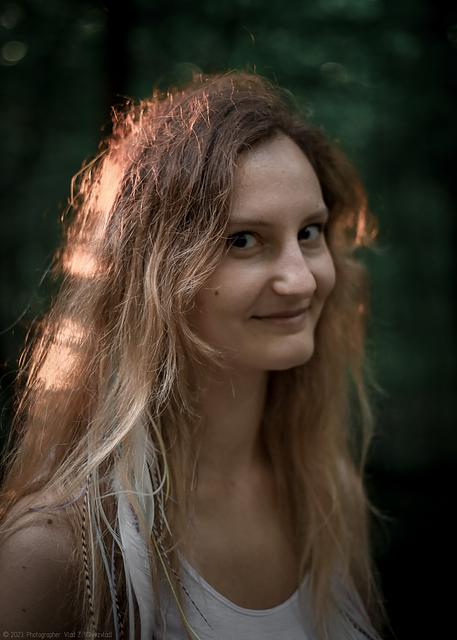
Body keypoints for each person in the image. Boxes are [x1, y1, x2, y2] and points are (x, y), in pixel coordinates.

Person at [0, 71, 386, 640]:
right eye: (243, 240)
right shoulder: (57, 552)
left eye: (310, 232)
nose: (302, 280)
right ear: (155, 276)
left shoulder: (328, 495)